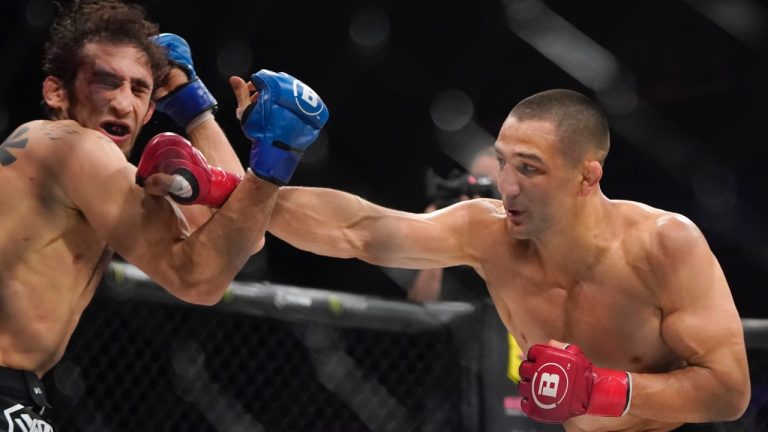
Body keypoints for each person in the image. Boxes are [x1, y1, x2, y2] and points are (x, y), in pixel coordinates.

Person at [262, 89, 750, 431]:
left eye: (530, 169)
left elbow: (729, 392)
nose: (508, 186)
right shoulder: (488, 232)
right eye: (504, 163)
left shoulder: (664, 244)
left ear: (586, 177)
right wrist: (239, 192)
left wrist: (603, 388)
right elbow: (361, 231)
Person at [0, 0, 326, 429]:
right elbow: (198, 278)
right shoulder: (68, 145)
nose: (122, 103)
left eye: (139, 89)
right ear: (55, 93)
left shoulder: (105, 179)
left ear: (152, 109)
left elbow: (240, 235)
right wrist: (271, 167)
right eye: (106, 83)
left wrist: (195, 111)